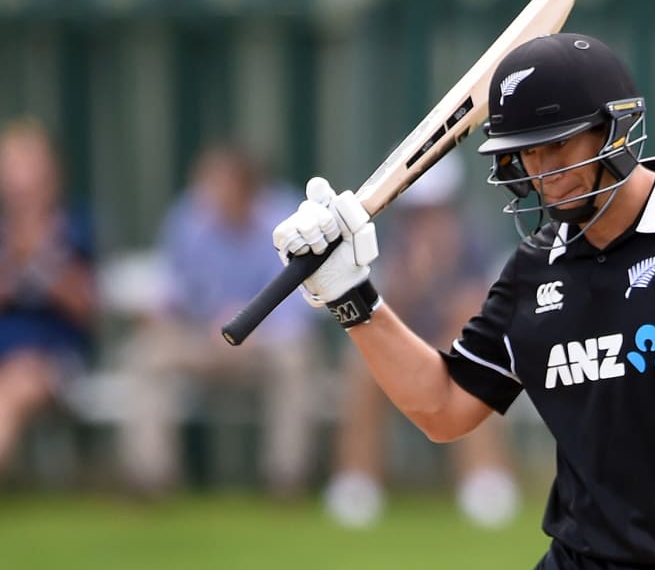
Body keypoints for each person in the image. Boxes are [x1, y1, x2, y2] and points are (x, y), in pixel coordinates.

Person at [270, 33, 655, 569]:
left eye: (558, 146)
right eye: (526, 155)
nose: (544, 174)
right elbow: (445, 407)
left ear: (614, 130)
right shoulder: (532, 270)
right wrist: (352, 296)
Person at [323, 151, 521, 529]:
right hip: (405, 350)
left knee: (468, 362)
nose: (426, 218)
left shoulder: (474, 241)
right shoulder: (387, 242)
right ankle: (357, 480)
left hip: (457, 349)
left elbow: (476, 315)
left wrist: (437, 274)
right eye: (419, 210)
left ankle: (483, 478)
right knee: (362, 367)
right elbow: (382, 316)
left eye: (435, 208)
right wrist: (414, 279)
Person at [117, 141, 322, 498]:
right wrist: (159, 314)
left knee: (297, 358)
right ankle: (149, 477)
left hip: (264, 341)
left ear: (246, 187)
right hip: (203, 340)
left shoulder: (286, 219)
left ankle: (286, 479)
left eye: (217, 185)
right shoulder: (188, 217)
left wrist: (255, 325)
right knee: (144, 354)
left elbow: (303, 297)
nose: (208, 195)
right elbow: (173, 288)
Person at [0, 117, 97, 474]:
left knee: (13, 386)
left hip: (53, 359)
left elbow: (85, 307)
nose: (21, 179)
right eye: (13, 165)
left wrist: (41, 260)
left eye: (29, 166)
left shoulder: (75, 225)